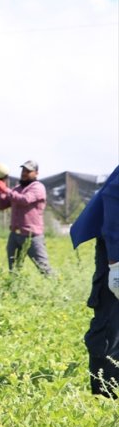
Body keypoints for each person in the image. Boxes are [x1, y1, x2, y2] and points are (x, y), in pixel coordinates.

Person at [69, 165, 119, 397]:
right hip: (114, 243)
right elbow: (113, 195)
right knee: (111, 323)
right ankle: (106, 395)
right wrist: (115, 263)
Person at [0, 160, 54, 275]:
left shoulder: (38, 187)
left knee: (44, 268)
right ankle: (13, 291)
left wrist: (5, 189)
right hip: (15, 236)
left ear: (36, 173)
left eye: (28, 171)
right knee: (14, 270)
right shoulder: (17, 189)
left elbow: (25, 200)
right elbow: (2, 205)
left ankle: (58, 289)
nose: (24, 173)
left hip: (32, 236)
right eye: (23, 170)